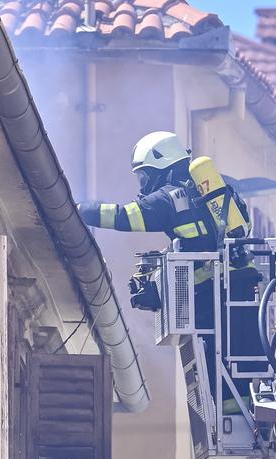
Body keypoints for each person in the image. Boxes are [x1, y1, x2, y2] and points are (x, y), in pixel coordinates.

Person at [79, 131, 263, 413]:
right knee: (239, 359)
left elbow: (124, 216)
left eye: (144, 176)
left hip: (210, 295)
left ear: (160, 166)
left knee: (214, 363)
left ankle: (233, 419)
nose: (143, 185)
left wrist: (79, 209)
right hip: (241, 286)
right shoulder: (211, 189)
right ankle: (245, 417)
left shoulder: (168, 198)